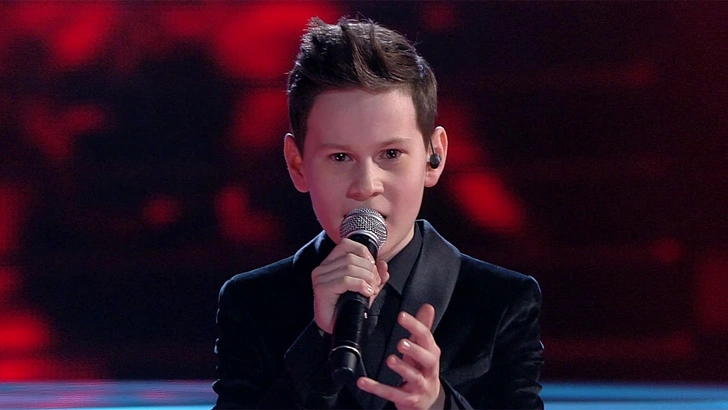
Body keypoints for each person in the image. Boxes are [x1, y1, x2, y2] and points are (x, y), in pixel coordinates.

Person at [212, 17, 544, 410]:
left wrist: (437, 404)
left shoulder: (500, 301)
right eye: (340, 157)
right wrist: (318, 344)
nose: (367, 184)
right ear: (297, 165)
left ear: (434, 157)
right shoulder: (253, 302)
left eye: (390, 154)